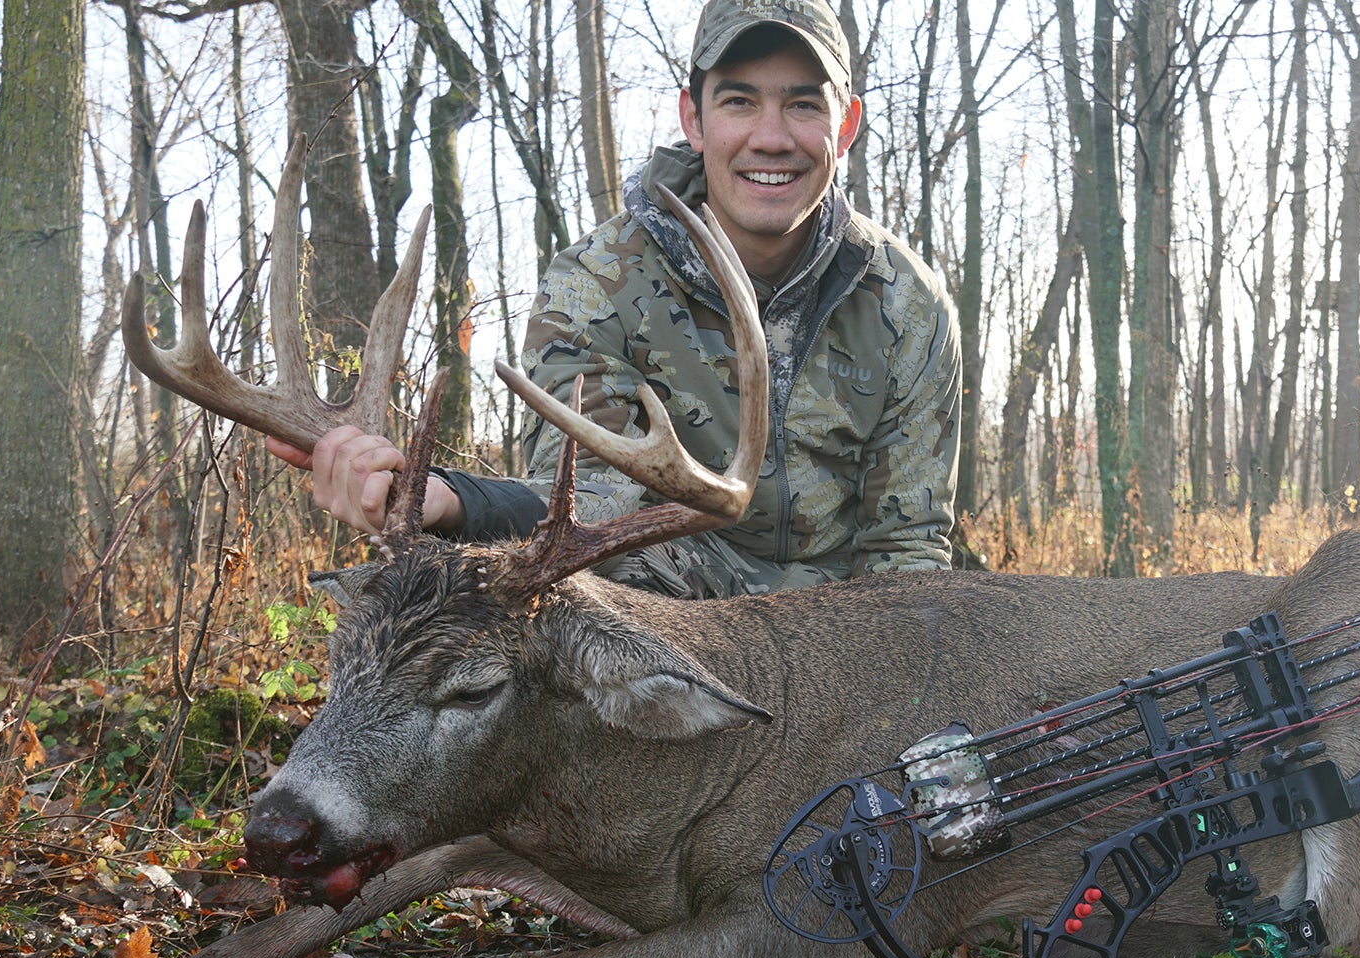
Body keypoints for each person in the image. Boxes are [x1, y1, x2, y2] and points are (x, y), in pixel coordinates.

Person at [272, 0, 962, 598]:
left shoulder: (907, 304)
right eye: (739, 100)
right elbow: (584, 507)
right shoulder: (597, 284)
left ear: (845, 126)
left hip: (844, 630)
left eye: (804, 103)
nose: (772, 137)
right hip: (674, 617)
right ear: (694, 118)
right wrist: (452, 501)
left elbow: (908, 548)